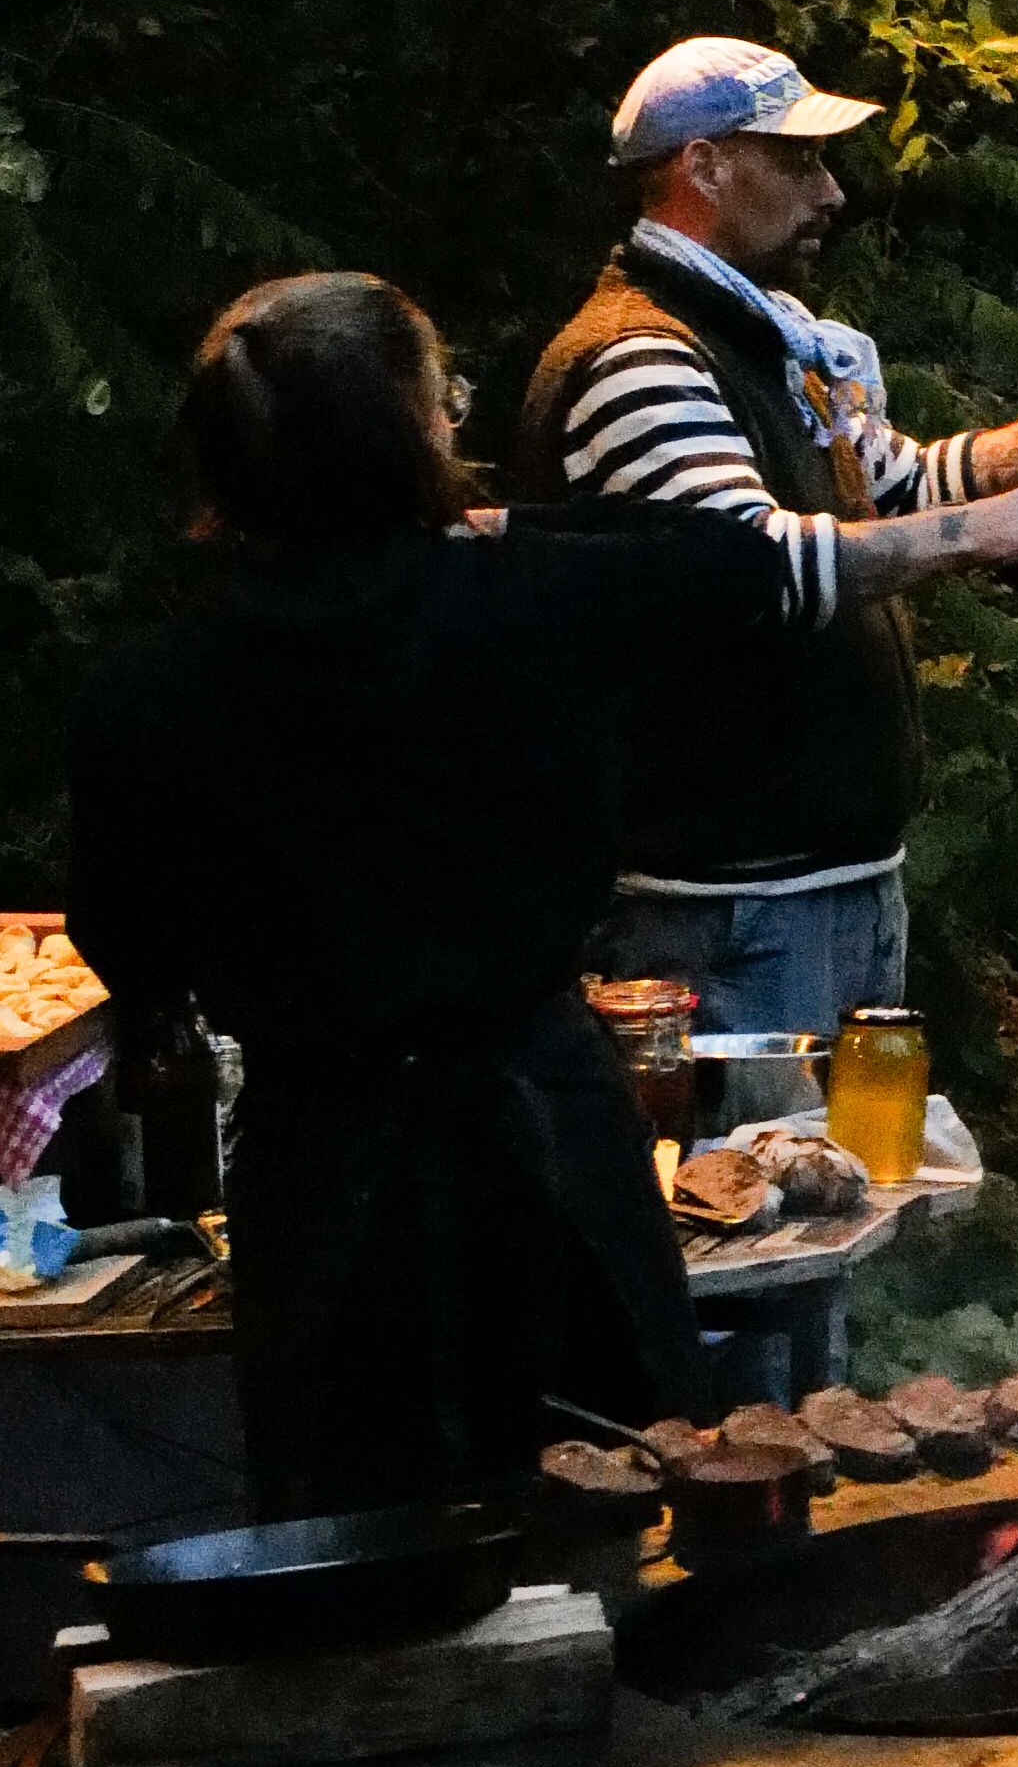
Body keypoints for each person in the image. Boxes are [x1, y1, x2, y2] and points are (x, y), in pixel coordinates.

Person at [68, 277, 805, 1511]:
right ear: (412, 435)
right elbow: (730, 558)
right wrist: (494, 526)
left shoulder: (150, 692)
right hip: (546, 1136)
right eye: (440, 400)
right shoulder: (525, 602)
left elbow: (125, 941)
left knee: (357, 1541)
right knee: (623, 1512)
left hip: (322, 1168)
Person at [523, 37, 1018, 1048]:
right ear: (705, 165)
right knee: (753, 1155)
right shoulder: (639, 355)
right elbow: (749, 569)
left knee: (850, 1148)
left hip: (829, 890)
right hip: (721, 912)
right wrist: (977, 533)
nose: (831, 193)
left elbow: (901, 486)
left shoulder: (764, 339)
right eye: (800, 160)